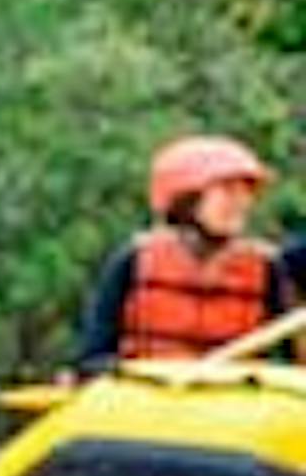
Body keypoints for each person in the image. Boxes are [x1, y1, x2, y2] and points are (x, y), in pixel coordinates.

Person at [68, 135, 292, 376]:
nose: (240, 204)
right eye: (227, 192)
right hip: (145, 400)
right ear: (186, 201)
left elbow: (286, 366)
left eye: (245, 193)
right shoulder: (134, 260)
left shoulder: (266, 268)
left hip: (230, 404)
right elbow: (92, 358)